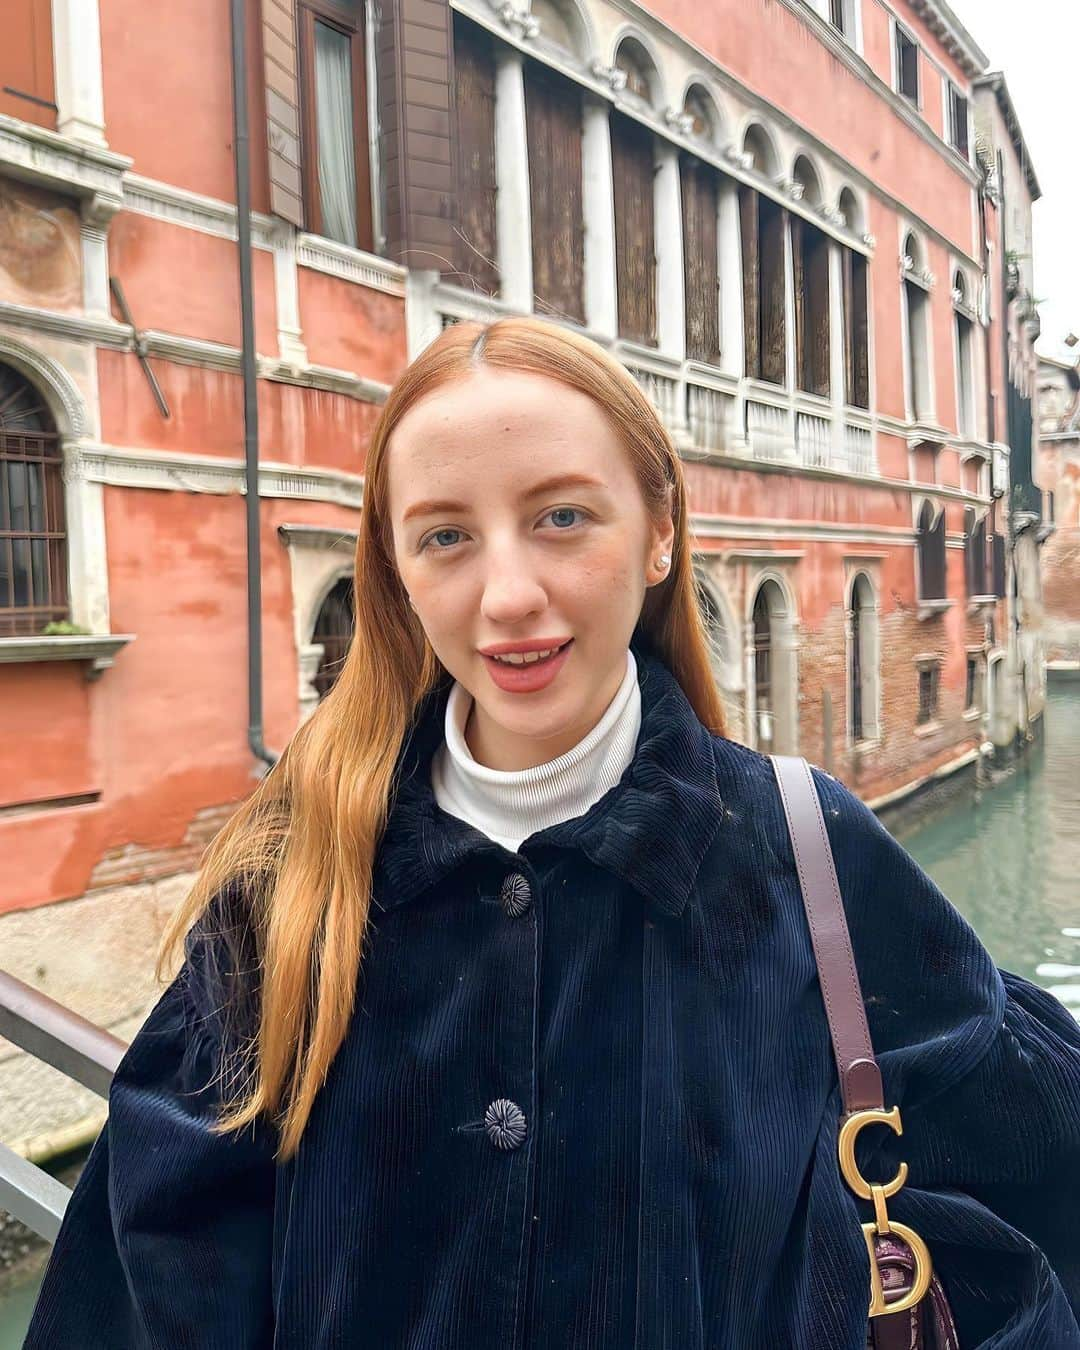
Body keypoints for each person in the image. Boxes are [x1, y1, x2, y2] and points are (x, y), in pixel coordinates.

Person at [23, 317, 1080, 1349]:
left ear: (661, 529)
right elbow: (151, 1282)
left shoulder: (812, 857)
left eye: (562, 518)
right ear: (396, 571)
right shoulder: (287, 889)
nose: (509, 597)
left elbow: (1037, 1193)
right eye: (446, 537)